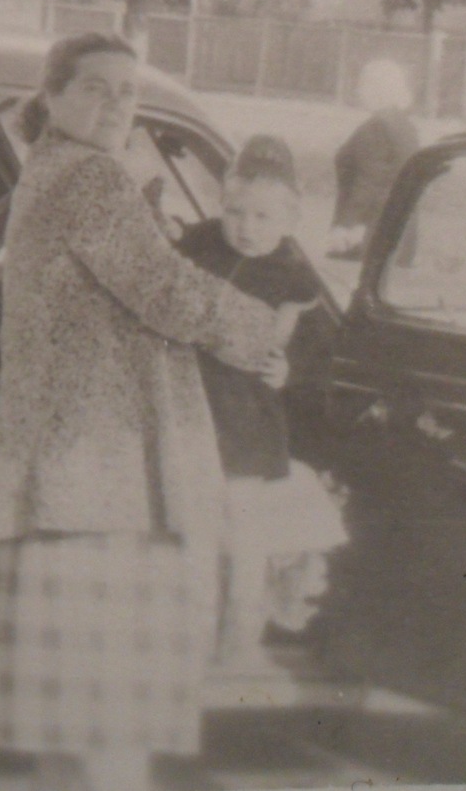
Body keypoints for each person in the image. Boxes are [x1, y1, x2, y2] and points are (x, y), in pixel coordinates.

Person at [0, 32, 285, 791]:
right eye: (95, 87)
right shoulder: (91, 180)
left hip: (61, 473)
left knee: (66, 721)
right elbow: (166, 287)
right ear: (51, 97)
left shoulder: (47, 170)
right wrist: (263, 331)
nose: (116, 104)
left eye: (128, 92)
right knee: (116, 722)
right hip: (107, 478)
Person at [175, 135, 346, 669]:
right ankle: (186, 646)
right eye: (235, 212)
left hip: (247, 427)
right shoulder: (198, 247)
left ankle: (235, 648)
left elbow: (323, 350)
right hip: (191, 415)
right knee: (191, 543)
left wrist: (291, 370)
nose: (247, 227)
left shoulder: (294, 276)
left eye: (264, 217)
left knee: (244, 546)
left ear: (291, 219)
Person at [328, 59, 420, 260]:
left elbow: (368, 183)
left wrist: (346, 226)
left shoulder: (376, 128)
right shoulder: (405, 126)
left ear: (380, 89)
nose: (358, 91)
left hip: (368, 229)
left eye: (363, 84)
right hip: (400, 226)